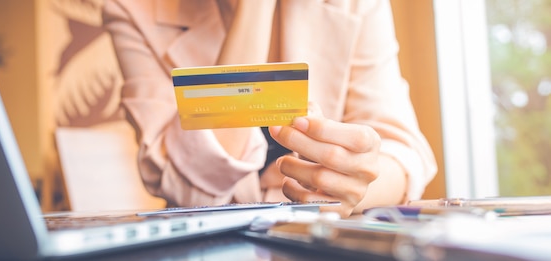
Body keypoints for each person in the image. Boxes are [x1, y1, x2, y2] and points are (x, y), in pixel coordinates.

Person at [102, 0, 437, 217]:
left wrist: (352, 188)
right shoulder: (131, 10)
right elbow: (190, 188)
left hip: (321, 240)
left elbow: (403, 155)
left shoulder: (357, 5)